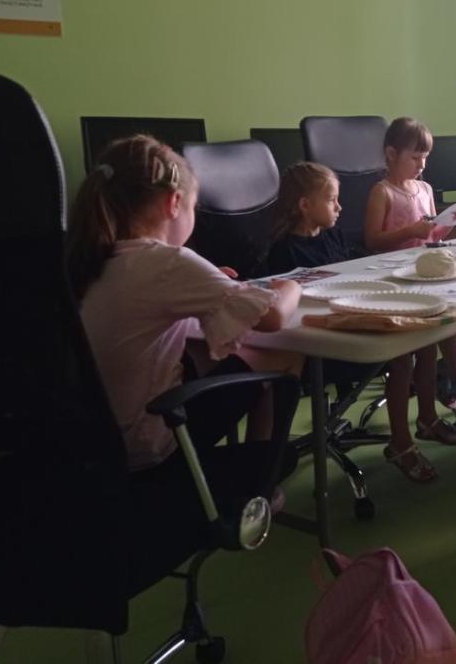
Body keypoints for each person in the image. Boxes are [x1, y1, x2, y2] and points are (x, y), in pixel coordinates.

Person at [67, 135, 304, 481]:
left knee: (214, 350)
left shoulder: (95, 257)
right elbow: (273, 317)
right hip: (149, 445)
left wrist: (209, 287)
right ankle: (262, 482)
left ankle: (248, 477)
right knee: (281, 351)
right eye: (194, 208)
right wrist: (291, 286)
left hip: (99, 447)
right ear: (174, 203)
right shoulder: (167, 261)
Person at [266, 161, 451, 482]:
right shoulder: (283, 252)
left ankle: (427, 419)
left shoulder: (332, 237)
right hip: (318, 344)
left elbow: (355, 271)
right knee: (401, 351)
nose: (340, 207)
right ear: (305, 206)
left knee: (421, 335)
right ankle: (401, 444)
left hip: (350, 324)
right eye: (331, 200)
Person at [364, 117, 456, 416]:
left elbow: (432, 235)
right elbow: (372, 240)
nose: (421, 165)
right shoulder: (382, 192)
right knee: (442, 313)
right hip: (396, 276)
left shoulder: (425, 188)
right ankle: (455, 376)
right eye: (415, 157)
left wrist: (451, 222)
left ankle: (447, 373)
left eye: (425, 158)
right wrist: (410, 230)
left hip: (426, 270)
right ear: (391, 154)